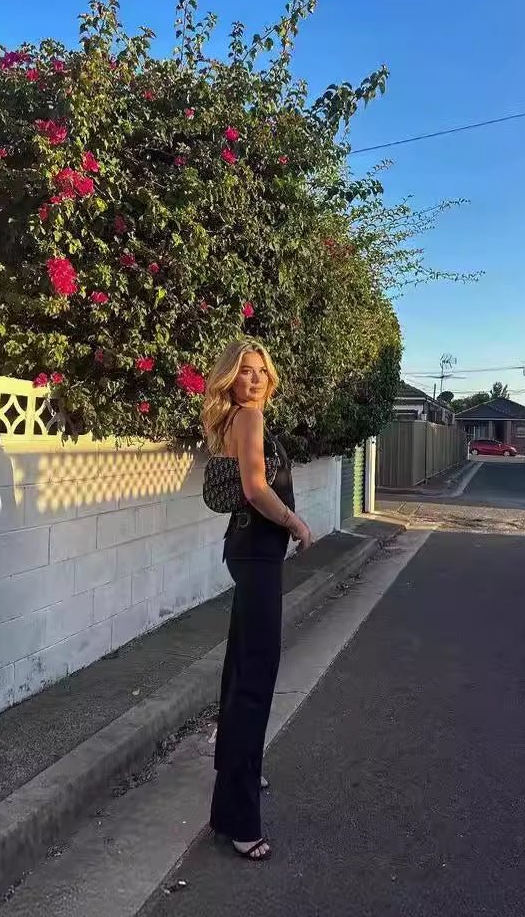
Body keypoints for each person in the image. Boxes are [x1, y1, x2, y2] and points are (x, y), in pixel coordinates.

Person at [201, 339, 314, 862]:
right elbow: (254, 487)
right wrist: (294, 523)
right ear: (231, 377)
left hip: (247, 551)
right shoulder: (248, 417)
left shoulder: (237, 419)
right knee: (255, 678)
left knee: (239, 672)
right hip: (256, 552)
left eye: (259, 371)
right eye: (243, 371)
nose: (252, 379)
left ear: (270, 377)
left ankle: (237, 778)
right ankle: (238, 817)